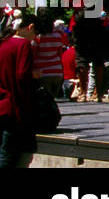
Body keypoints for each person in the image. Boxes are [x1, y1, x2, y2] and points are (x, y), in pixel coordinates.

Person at [0, 12, 38, 169]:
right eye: (35, 33)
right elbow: (22, 75)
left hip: (1, 105)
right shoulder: (23, 45)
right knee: (7, 154)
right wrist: (33, 76)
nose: (35, 37)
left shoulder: (3, 44)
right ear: (30, 27)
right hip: (13, 108)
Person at [31, 13, 66, 99]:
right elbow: (60, 53)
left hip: (42, 73)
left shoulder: (37, 37)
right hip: (57, 71)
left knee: (45, 100)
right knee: (52, 99)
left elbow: (33, 55)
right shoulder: (58, 35)